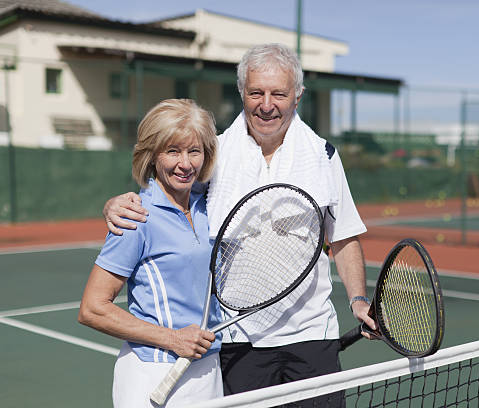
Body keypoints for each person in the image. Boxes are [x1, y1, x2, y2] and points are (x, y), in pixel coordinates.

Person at [102, 44, 376, 402]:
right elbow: (172, 195)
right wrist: (114, 203)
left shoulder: (323, 156)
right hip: (237, 339)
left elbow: (343, 237)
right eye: (256, 92)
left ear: (297, 96)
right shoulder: (213, 153)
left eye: (278, 93)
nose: (266, 104)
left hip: (312, 335)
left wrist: (357, 300)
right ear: (242, 94)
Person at [79, 99, 223, 407]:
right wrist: (173, 339)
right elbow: (92, 308)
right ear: (152, 156)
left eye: (194, 151)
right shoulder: (135, 217)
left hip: (209, 371)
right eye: (172, 151)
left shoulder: (210, 206)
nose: (185, 164)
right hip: (154, 374)